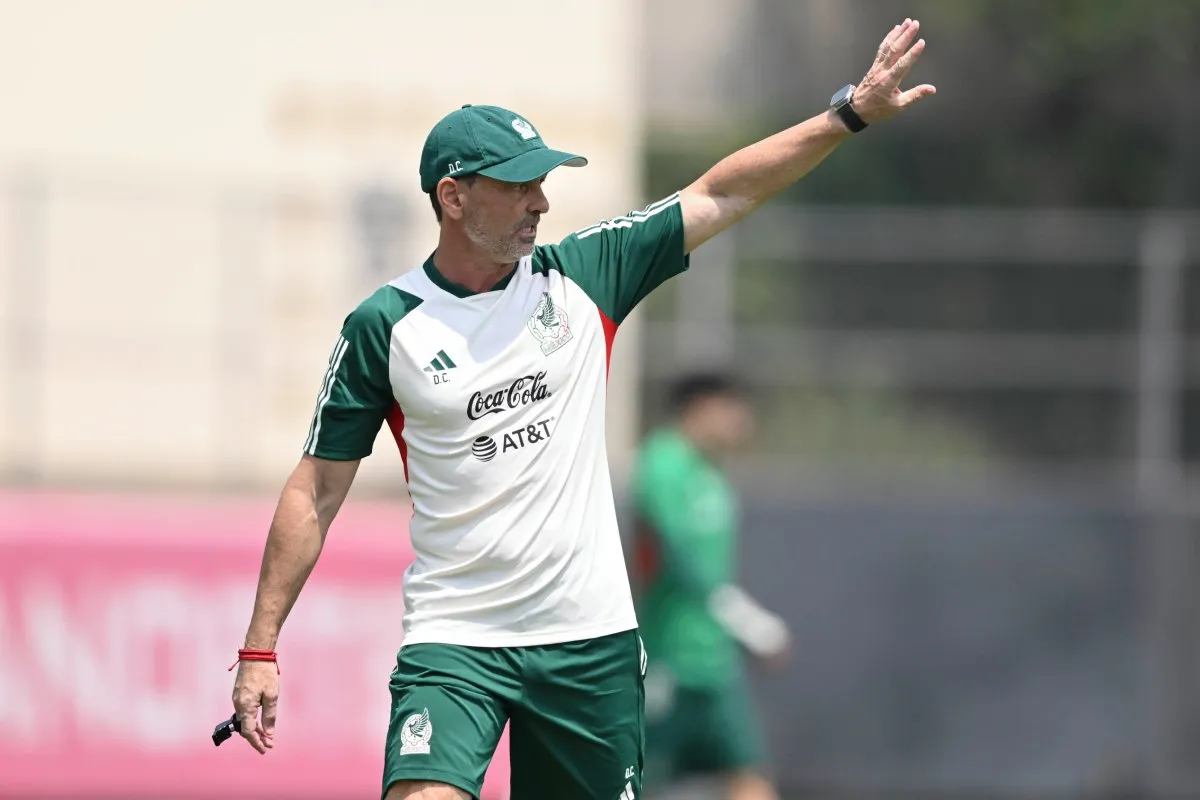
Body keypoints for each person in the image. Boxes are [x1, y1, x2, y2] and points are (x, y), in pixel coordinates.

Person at [228, 18, 935, 800]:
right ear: (453, 197)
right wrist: (260, 648)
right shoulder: (383, 325)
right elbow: (316, 490)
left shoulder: (585, 276)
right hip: (455, 639)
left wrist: (848, 114)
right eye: (517, 185)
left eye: (542, 182)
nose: (540, 201)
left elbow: (720, 191)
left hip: (588, 643)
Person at [632, 374, 789, 800]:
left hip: (717, 665)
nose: (742, 419)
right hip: (667, 658)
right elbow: (677, 552)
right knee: (637, 781)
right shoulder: (663, 462)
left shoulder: (714, 472)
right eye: (731, 406)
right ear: (701, 406)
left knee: (750, 776)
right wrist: (747, 620)